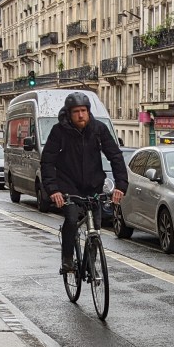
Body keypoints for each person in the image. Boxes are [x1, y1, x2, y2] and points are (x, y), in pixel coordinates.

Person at [41, 92, 127, 274]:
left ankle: (91, 264)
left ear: (88, 111)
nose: (81, 115)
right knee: (72, 219)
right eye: (76, 112)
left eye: (84, 110)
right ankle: (67, 260)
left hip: (93, 185)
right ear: (69, 113)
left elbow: (116, 157)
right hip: (68, 187)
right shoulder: (59, 131)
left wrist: (120, 186)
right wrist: (53, 190)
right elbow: (47, 162)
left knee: (95, 226)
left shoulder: (99, 129)